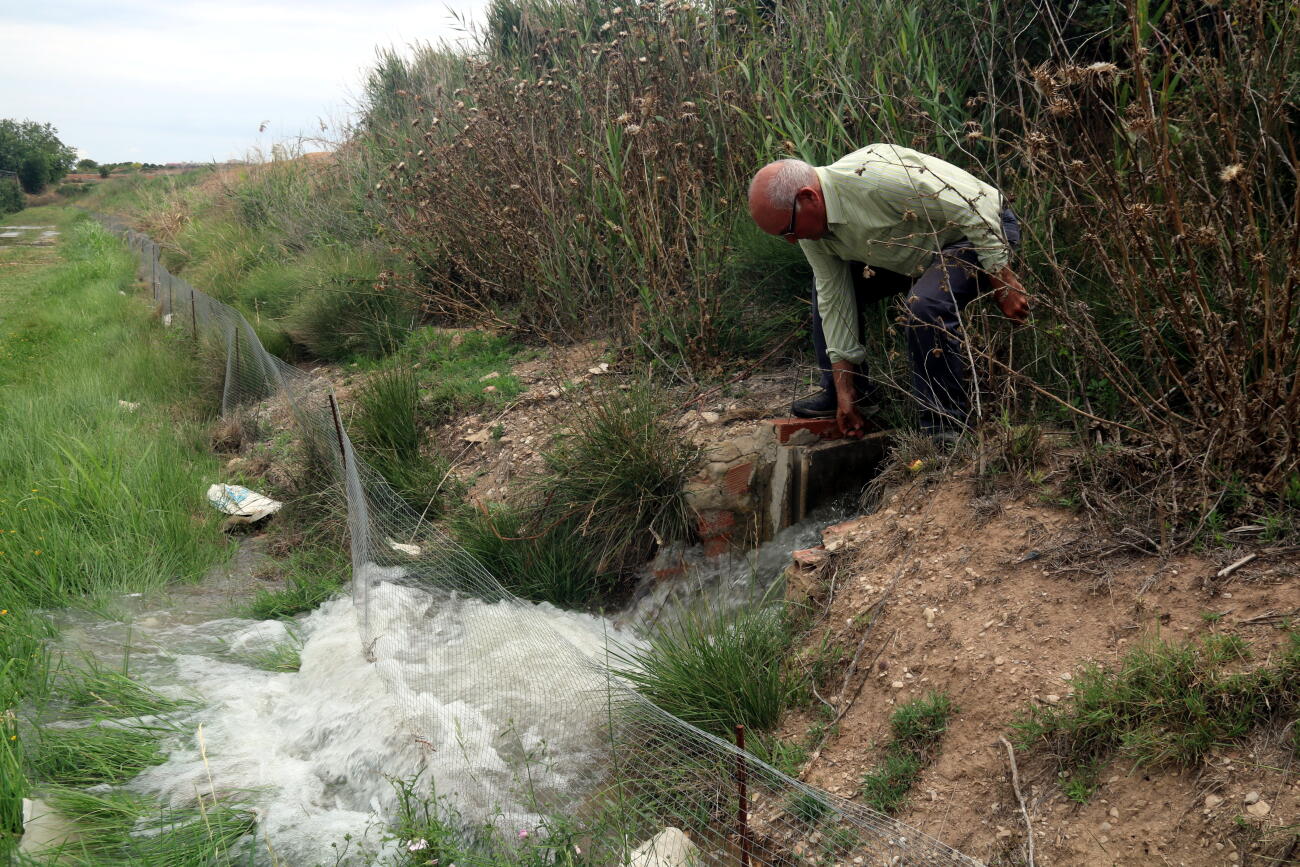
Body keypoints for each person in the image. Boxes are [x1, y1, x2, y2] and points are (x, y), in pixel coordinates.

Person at [747, 144, 1029, 440]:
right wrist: (845, 388)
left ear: (808, 197)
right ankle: (852, 398)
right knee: (823, 292)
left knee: (925, 305)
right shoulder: (808, 227)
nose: (792, 241)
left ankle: (945, 426)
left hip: (976, 232)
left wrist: (1003, 279)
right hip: (912, 257)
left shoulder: (875, 178)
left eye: (788, 230)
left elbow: (975, 206)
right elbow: (835, 298)